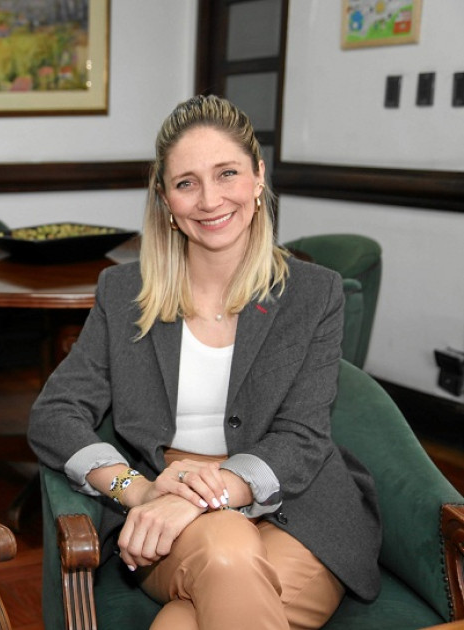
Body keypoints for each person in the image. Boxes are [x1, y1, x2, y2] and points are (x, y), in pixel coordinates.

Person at [27, 95, 381, 630]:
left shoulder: (314, 293)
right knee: (226, 547)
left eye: (227, 173)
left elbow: (302, 436)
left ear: (258, 178)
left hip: (299, 514)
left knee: (184, 620)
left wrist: (203, 495)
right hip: (166, 512)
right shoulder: (124, 292)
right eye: (186, 182)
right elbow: (55, 414)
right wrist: (140, 489)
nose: (210, 199)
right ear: (165, 199)